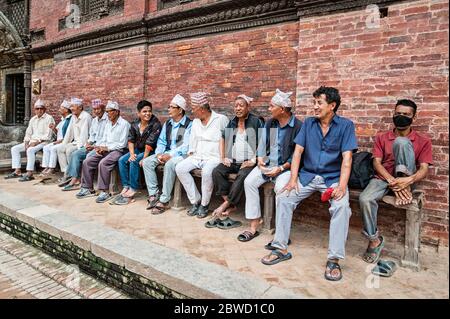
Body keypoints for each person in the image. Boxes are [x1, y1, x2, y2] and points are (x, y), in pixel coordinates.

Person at [262, 86, 357, 282]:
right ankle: (280, 247)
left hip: (332, 178)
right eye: (314, 103)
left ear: (332, 106)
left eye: (318, 103)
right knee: (284, 196)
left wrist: (341, 186)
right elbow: (297, 153)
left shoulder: (346, 126)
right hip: (307, 176)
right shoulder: (308, 124)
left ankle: (334, 259)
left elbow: (347, 159)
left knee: (341, 207)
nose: (315, 107)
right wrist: (293, 179)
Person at [359, 99, 432, 264]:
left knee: (401, 142)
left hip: (407, 179)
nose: (401, 117)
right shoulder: (382, 137)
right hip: (384, 177)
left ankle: (402, 188)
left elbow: (424, 169)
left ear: (414, 117)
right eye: (398, 113)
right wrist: (392, 180)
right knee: (365, 199)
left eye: (406, 114)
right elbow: (376, 162)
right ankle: (374, 240)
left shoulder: (423, 141)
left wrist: (407, 180)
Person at [238, 89, 302, 242]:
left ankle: (281, 233)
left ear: (282, 109)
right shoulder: (271, 123)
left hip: (285, 168)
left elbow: (297, 155)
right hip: (267, 164)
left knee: (281, 189)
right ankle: (254, 225)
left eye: (271, 106)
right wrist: (260, 158)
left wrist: (280, 168)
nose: (269, 109)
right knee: (249, 182)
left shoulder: (298, 126)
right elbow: (263, 143)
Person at [207, 94, 264, 229]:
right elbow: (222, 138)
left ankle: (225, 205)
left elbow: (263, 141)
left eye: (241, 105)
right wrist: (223, 157)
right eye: (236, 105)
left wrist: (253, 160)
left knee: (242, 176)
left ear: (247, 107)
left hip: (248, 161)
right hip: (233, 160)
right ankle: (230, 203)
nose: (238, 108)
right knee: (217, 171)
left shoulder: (256, 121)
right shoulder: (232, 122)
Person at [175, 92, 229, 218]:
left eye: (194, 109)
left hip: (214, 157)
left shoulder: (221, 119)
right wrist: (191, 153)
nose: (192, 112)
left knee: (206, 172)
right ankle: (196, 201)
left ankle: (204, 204)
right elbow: (193, 140)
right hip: (197, 156)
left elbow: (229, 138)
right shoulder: (195, 122)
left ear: (203, 109)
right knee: (180, 168)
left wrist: (225, 156)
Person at [142, 94, 192, 213]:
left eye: (171, 107)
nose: (168, 109)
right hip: (167, 152)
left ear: (180, 110)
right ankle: (154, 195)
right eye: (169, 106)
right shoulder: (168, 123)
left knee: (170, 164)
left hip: (182, 155)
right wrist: (159, 153)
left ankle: (164, 200)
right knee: (147, 162)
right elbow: (162, 141)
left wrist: (170, 155)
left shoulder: (188, 124)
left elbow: (185, 147)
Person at [75, 101, 130, 203]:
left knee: (103, 163)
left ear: (117, 112)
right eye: (107, 111)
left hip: (119, 151)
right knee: (87, 161)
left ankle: (105, 191)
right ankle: (88, 188)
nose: (108, 114)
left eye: (110, 112)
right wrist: (100, 148)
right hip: (106, 149)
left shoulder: (124, 124)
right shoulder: (108, 123)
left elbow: (122, 144)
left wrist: (107, 148)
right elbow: (104, 138)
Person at [113, 100, 162, 205]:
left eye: (149, 111)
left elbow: (150, 143)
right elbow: (131, 140)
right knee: (122, 160)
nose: (147, 113)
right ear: (139, 113)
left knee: (134, 161)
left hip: (151, 151)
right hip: (138, 149)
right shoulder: (135, 123)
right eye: (144, 111)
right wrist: (131, 154)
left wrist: (144, 158)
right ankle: (126, 186)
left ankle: (133, 188)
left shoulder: (155, 124)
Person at [61, 99, 108, 191]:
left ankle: (83, 183)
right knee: (76, 153)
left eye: (98, 109)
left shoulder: (107, 120)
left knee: (88, 156)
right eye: (94, 109)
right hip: (94, 145)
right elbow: (92, 136)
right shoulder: (95, 120)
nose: (96, 111)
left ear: (103, 109)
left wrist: (94, 146)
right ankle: (75, 179)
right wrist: (88, 143)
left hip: (102, 146)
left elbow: (106, 139)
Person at [5, 99, 55, 182]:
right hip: (32, 141)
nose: (39, 110)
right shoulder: (33, 119)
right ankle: (17, 171)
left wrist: (36, 142)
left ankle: (29, 173)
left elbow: (48, 135)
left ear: (44, 109)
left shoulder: (49, 118)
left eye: (41, 108)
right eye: (37, 109)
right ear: (34, 109)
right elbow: (28, 132)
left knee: (30, 150)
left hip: (44, 142)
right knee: (14, 149)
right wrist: (26, 142)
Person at [57, 97, 92, 186]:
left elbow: (85, 135)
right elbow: (69, 131)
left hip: (84, 143)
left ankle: (74, 176)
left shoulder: (86, 117)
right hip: (75, 142)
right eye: (71, 106)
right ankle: (67, 173)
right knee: (60, 149)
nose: (71, 108)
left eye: (73, 106)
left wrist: (80, 147)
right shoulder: (73, 116)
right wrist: (64, 143)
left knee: (70, 151)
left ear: (80, 107)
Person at [40, 100, 73, 176]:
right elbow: (57, 132)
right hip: (59, 140)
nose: (59, 110)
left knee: (53, 148)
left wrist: (60, 141)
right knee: (46, 147)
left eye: (61, 108)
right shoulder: (62, 120)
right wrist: (53, 128)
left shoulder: (70, 119)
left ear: (66, 110)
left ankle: (52, 168)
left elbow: (69, 134)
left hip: (65, 141)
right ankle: (46, 167)